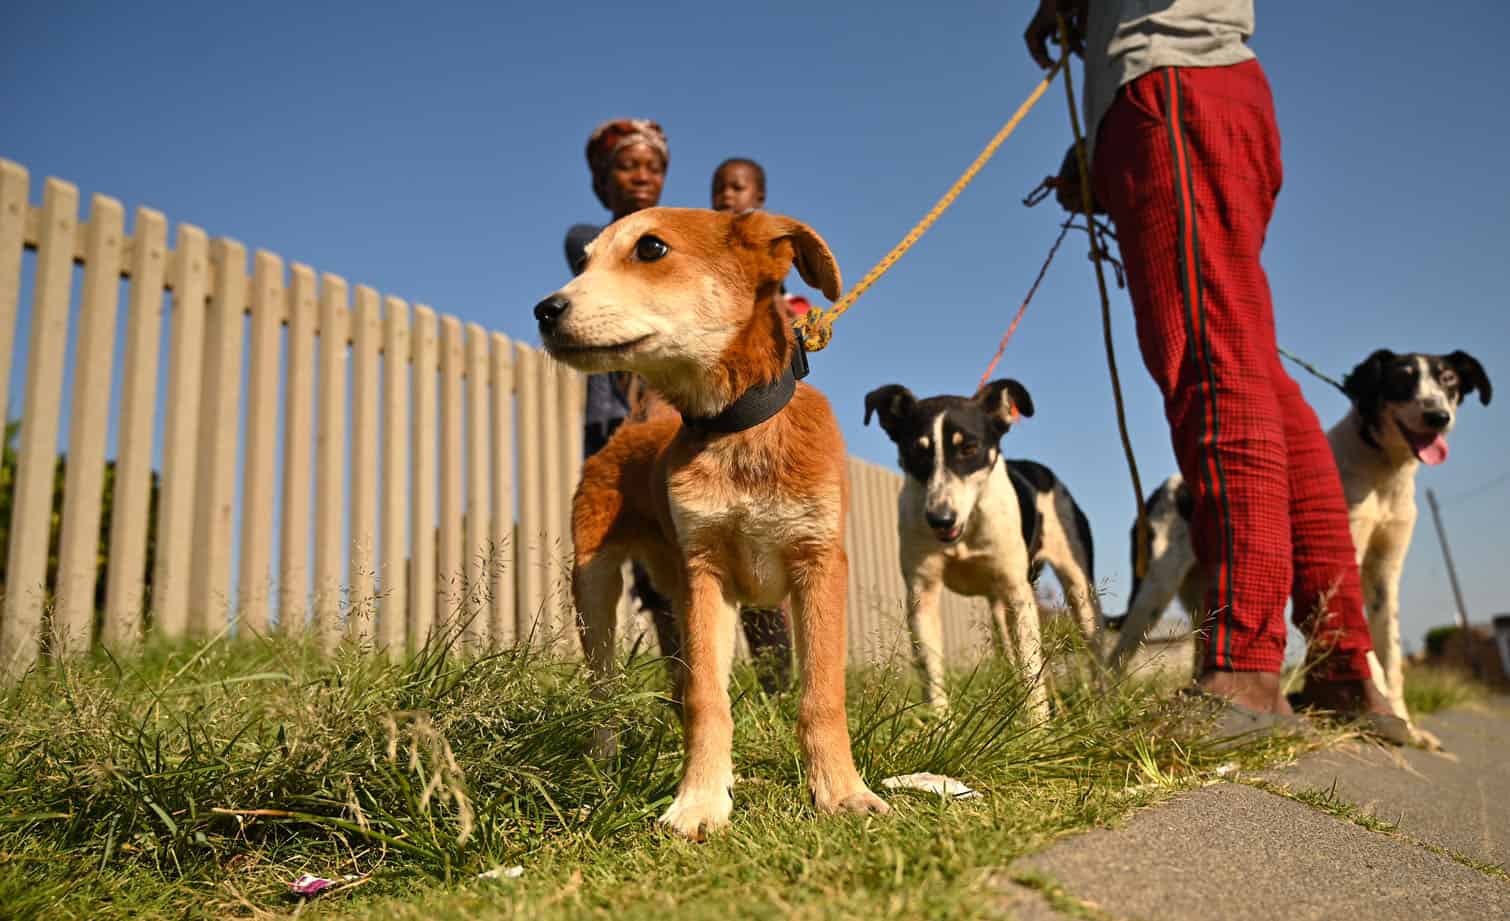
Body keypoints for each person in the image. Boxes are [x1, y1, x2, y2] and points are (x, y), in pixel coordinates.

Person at [1023, 1, 1405, 738]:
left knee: (1216, 364)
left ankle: (1245, 672)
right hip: (1193, 94)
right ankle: (1344, 670)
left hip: (1177, 91)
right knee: (1259, 380)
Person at [565, 118, 681, 663]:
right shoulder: (587, 244)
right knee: (626, 547)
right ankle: (645, 676)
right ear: (603, 180)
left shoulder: (672, 244)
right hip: (613, 419)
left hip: (666, 416)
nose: (642, 176)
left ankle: (706, 679)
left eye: (653, 167)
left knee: (684, 545)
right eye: (628, 166)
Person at [708, 156, 800, 693]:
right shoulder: (702, 255)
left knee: (769, 569)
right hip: (715, 425)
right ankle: (727, 683)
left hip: (763, 421)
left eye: (737, 189)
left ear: (757, 197)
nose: (726, 197)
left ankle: (777, 685)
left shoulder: (770, 262)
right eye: (719, 188)